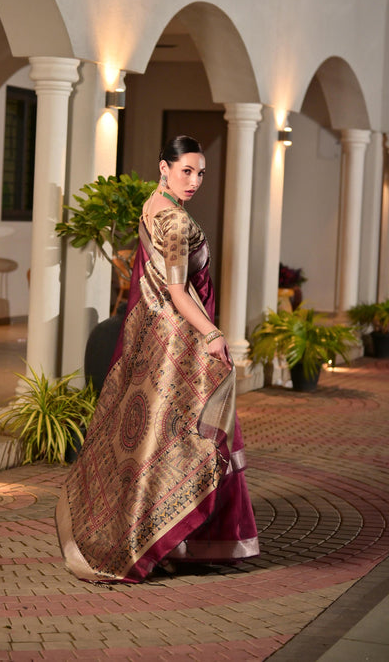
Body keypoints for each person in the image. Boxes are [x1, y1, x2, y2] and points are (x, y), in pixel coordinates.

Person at [55, 135, 259, 582]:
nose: (194, 180)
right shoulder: (176, 223)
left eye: (200, 172)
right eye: (186, 170)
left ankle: (163, 538)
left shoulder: (153, 204)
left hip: (152, 336)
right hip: (178, 341)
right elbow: (177, 291)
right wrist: (213, 333)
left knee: (154, 441)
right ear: (164, 166)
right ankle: (165, 540)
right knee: (195, 440)